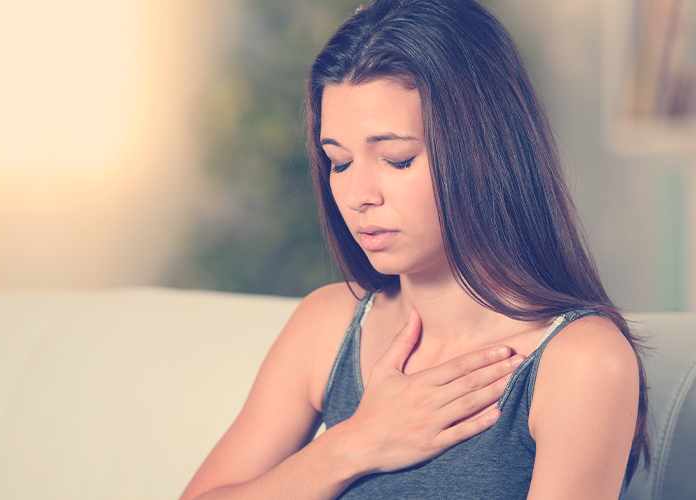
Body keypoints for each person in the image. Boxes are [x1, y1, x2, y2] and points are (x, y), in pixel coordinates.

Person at [180, 0, 649, 498]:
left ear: (483, 152)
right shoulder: (328, 324)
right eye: (338, 162)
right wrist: (354, 443)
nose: (360, 195)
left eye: (397, 159)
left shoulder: (581, 363)